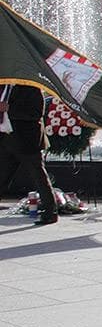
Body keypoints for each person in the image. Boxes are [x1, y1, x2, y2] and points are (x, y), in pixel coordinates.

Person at [0, 84, 57, 224]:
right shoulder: (3, 85)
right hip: (6, 139)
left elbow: (36, 112)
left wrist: (9, 109)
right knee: (2, 175)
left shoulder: (30, 85)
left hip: (26, 140)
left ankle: (50, 212)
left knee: (38, 176)